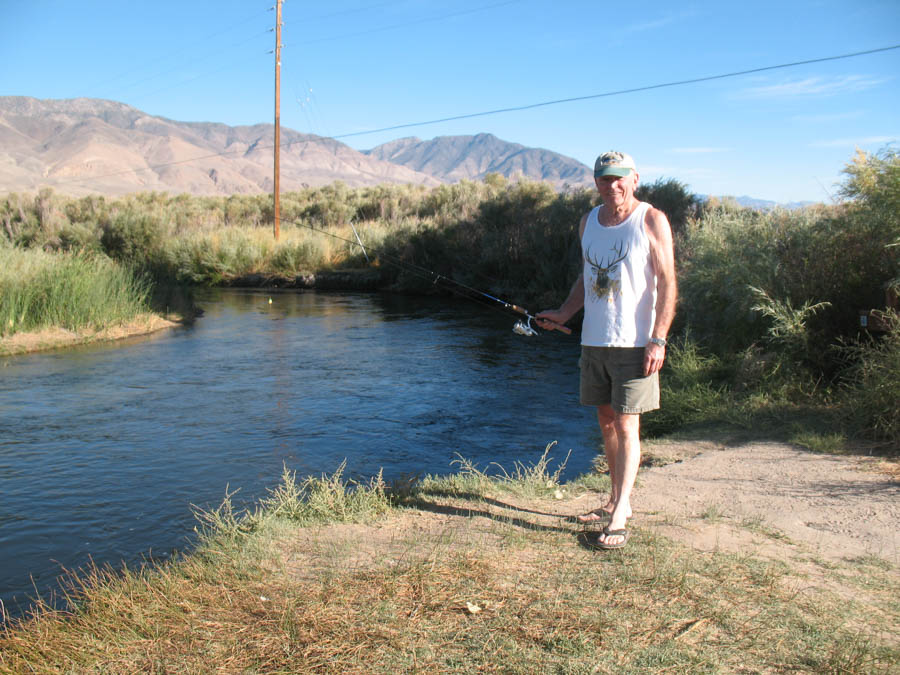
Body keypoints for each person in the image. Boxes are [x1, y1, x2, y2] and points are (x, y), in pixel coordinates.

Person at [537, 150, 676, 550]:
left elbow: (667, 282)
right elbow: (587, 277)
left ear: (634, 179)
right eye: (603, 179)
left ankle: (620, 513)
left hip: (636, 342)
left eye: (619, 178)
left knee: (629, 424)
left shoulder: (650, 219)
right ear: (596, 182)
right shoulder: (588, 222)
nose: (611, 186)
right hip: (594, 339)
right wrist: (564, 313)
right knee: (606, 420)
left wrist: (658, 336)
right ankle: (615, 499)